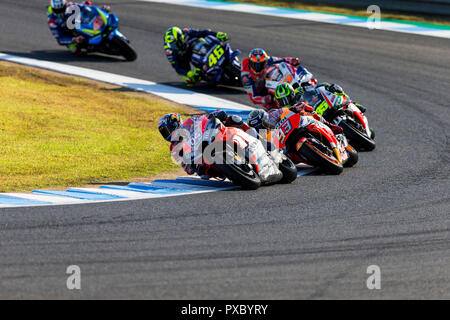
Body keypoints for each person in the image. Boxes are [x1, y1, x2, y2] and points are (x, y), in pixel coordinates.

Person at [158, 111, 249, 177]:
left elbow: (205, 117)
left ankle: (250, 134)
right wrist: (190, 166)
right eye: (164, 133)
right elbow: (186, 168)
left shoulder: (190, 122)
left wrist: (216, 114)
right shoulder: (174, 147)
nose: (167, 134)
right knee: (203, 175)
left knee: (233, 119)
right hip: (203, 160)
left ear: (174, 124)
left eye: (167, 130)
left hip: (210, 138)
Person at [247, 83, 343, 136]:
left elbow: (316, 87)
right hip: (297, 125)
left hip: (315, 110)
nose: (284, 102)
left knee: (309, 109)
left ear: (292, 94)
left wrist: (326, 87)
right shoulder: (280, 110)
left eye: (286, 98)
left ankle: (330, 125)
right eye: (281, 100)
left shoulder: (298, 92)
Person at [163, 27, 229, 86]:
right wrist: (188, 73)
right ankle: (205, 73)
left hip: (202, 47)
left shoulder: (187, 32)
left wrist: (217, 34)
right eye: (173, 46)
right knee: (189, 81)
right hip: (187, 57)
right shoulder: (169, 50)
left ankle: (222, 48)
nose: (175, 47)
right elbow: (177, 68)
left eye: (176, 44)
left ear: (180, 38)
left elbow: (203, 32)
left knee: (208, 36)